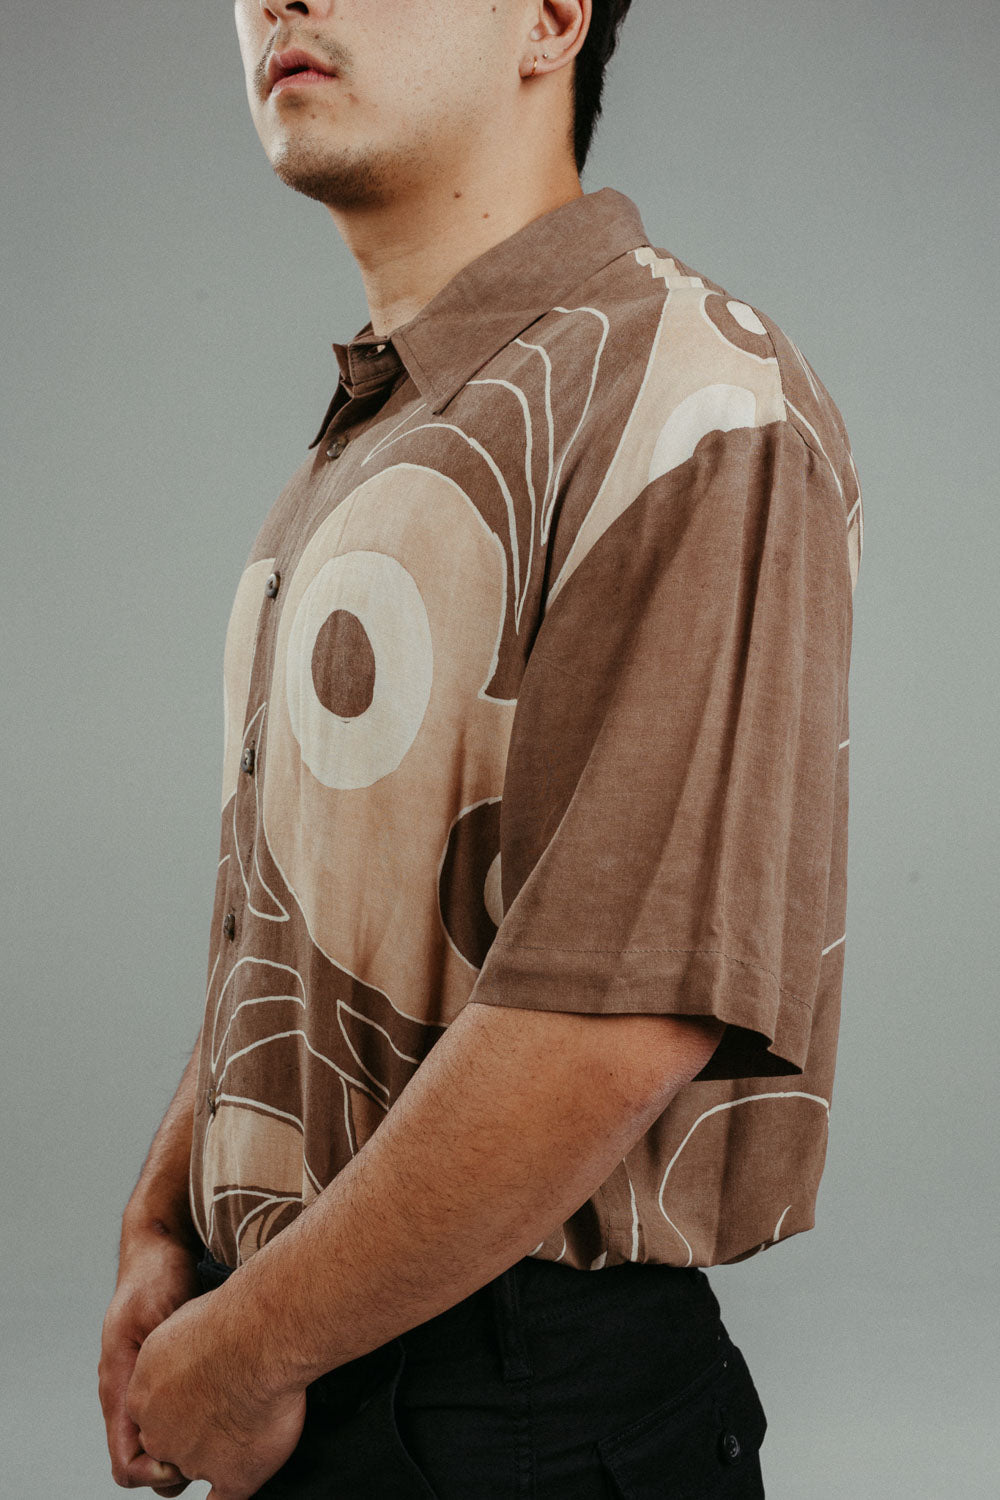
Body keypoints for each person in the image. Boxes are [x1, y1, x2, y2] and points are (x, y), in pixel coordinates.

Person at [98, 3, 864, 1497]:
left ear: (551, 16)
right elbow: (303, 930)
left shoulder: (694, 401)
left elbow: (615, 1021)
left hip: (520, 1420)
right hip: (332, 1374)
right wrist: (161, 1227)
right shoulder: (376, 440)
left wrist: (247, 1351)